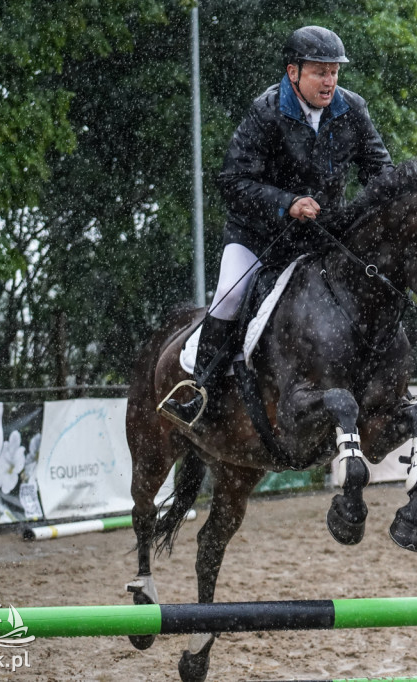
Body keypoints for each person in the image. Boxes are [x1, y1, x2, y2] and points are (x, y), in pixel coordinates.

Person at [163, 25, 394, 426]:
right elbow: (232, 183)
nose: (330, 81)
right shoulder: (267, 111)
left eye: (335, 72)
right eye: (320, 72)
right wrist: (287, 204)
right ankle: (201, 394)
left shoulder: (352, 109)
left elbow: (381, 172)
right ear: (293, 73)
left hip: (323, 237)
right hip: (260, 237)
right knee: (229, 298)